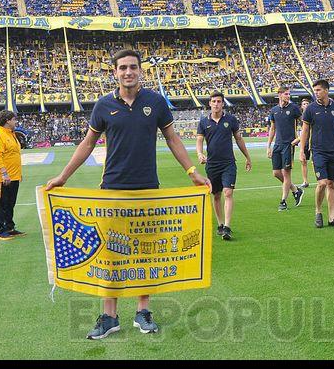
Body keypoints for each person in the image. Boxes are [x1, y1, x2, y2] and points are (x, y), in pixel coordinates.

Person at [44, 49, 210, 338]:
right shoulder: (103, 105)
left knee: (146, 253)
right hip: (112, 189)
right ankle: (109, 317)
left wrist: (192, 171)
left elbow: (172, 138)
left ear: (140, 71)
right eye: (123, 68)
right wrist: (63, 176)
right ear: (115, 72)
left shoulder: (156, 103)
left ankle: (142, 313)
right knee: (110, 255)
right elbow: (86, 144)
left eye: (133, 67)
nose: (128, 72)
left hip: (147, 188)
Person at [197, 91, 253, 240]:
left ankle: (227, 227)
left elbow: (239, 139)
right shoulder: (203, 122)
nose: (216, 104)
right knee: (216, 195)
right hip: (212, 165)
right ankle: (220, 224)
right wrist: (200, 154)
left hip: (228, 163)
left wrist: (247, 157)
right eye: (213, 101)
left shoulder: (231, 120)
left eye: (219, 101)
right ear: (210, 103)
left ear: (223, 103)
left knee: (228, 192)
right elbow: (199, 141)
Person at [299, 79, 334, 228]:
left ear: (326, 90)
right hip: (318, 151)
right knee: (322, 183)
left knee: (332, 184)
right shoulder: (310, 109)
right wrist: (302, 150)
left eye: (318, 90)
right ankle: (318, 212)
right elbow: (305, 130)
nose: (316, 93)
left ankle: (332, 217)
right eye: (315, 90)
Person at [266, 86, 304, 211]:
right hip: (277, 144)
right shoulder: (274, 110)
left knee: (286, 173)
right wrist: (269, 146)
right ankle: (296, 190)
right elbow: (272, 129)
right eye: (286, 94)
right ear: (280, 95)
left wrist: (298, 139)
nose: (288, 96)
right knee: (276, 173)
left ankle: (283, 201)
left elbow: (306, 124)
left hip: (289, 145)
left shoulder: (294, 109)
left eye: (289, 94)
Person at [0, 110, 25, 241]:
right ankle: (1, 230)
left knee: (10, 203)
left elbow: (14, 155)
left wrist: (18, 174)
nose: (16, 122)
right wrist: (4, 173)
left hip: (14, 176)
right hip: (2, 177)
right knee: (1, 204)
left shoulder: (11, 134)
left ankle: (10, 227)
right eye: (14, 119)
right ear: (7, 121)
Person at [294, 98, 312, 189]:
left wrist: (298, 139)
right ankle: (305, 181)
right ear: (301, 106)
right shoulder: (300, 118)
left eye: (307, 103)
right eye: (304, 104)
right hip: (304, 142)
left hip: (312, 141)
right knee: (303, 161)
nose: (306, 105)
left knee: (316, 162)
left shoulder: (312, 115)